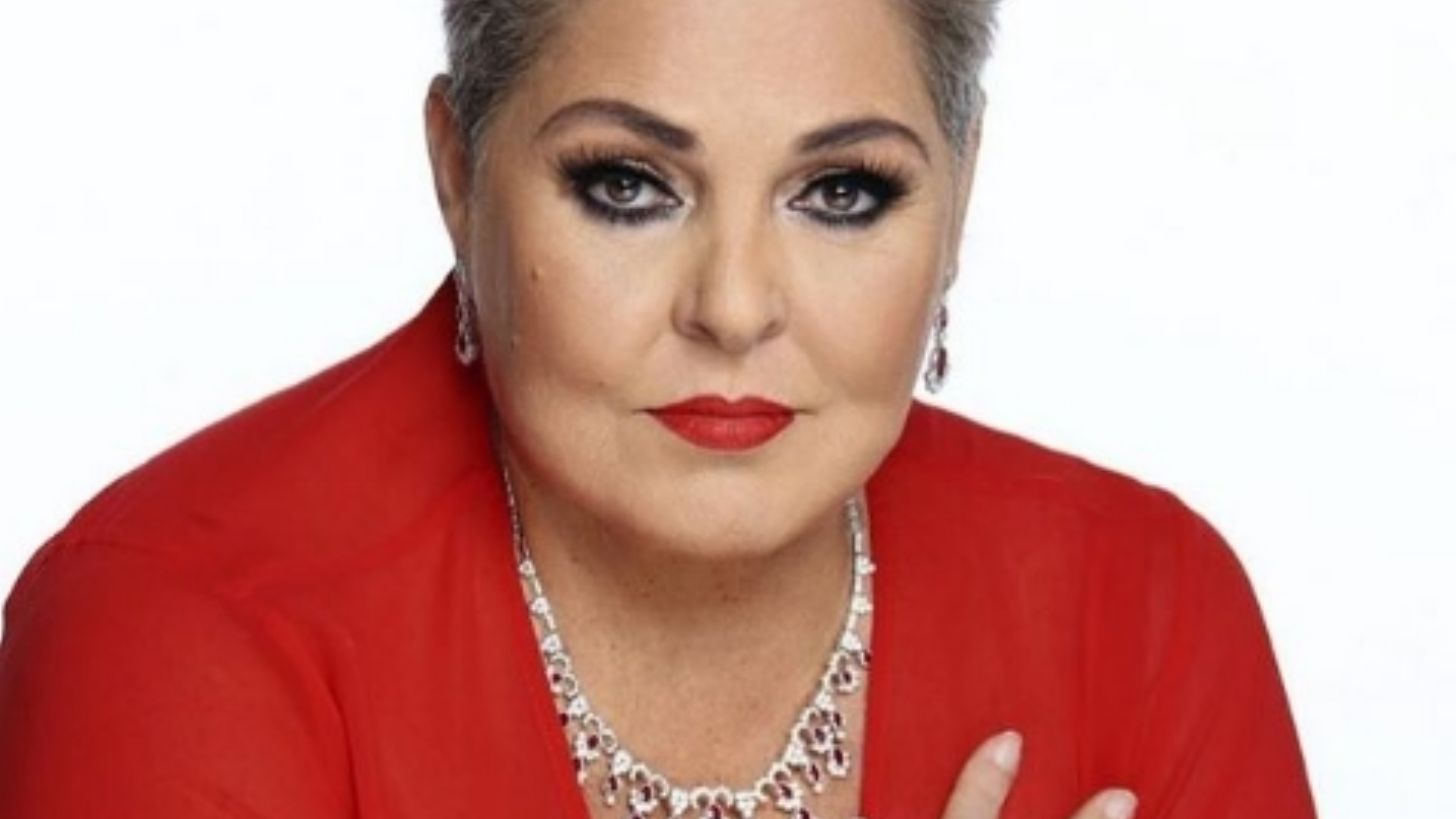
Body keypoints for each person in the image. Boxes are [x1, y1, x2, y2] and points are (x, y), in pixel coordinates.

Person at [0, 0, 1318, 817]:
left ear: (960, 196)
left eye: (842, 193)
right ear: (458, 173)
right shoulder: (177, 627)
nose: (734, 308)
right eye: (628, 185)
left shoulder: (1141, 607)